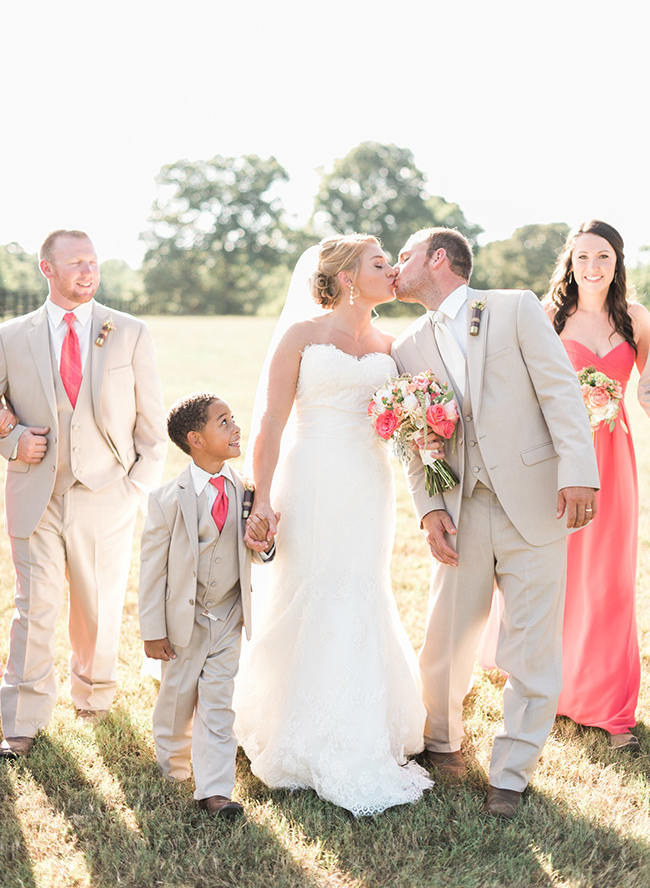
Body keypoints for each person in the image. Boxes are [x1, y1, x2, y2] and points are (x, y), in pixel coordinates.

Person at [391, 227, 599, 819]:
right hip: (462, 506)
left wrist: (577, 471)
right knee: (446, 637)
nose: (395, 268)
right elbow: (413, 435)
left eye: (404, 256)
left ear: (437, 259)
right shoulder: (406, 346)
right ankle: (442, 742)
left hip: (536, 498)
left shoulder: (513, 308)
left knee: (531, 646)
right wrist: (429, 506)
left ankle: (511, 772)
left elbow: (560, 390)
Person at [233, 234, 433, 817]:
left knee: (360, 588)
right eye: (379, 263)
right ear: (347, 277)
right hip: (311, 477)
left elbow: (406, 419)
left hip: (369, 484)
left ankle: (359, 724)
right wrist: (261, 498)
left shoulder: (392, 346)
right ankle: (291, 720)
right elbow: (270, 421)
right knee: (309, 587)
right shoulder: (301, 335)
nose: (391, 271)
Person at [0, 229, 167, 760]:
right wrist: (11, 440)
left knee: (97, 604)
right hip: (36, 491)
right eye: (75, 263)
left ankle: (93, 696)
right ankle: (20, 719)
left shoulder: (129, 331)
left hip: (106, 491)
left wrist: (134, 488)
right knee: (35, 606)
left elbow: (152, 423)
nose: (87, 271)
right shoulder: (10, 336)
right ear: (47, 269)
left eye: (92, 261)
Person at [138, 393, 275, 818]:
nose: (236, 428)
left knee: (218, 702)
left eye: (233, 418)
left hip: (229, 614)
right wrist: (153, 631)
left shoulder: (246, 490)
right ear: (195, 439)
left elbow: (257, 549)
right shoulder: (165, 499)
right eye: (224, 422)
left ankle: (215, 790)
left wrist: (264, 544)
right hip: (184, 619)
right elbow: (152, 571)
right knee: (176, 701)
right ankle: (173, 768)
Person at [544, 220, 650, 749]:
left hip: (614, 459)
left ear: (617, 261)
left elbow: (647, 390)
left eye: (603, 256)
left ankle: (611, 708)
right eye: (582, 256)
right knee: (557, 573)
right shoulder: (549, 317)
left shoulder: (637, 318)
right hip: (560, 459)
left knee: (609, 578)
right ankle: (553, 686)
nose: (592, 266)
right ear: (570, 262)